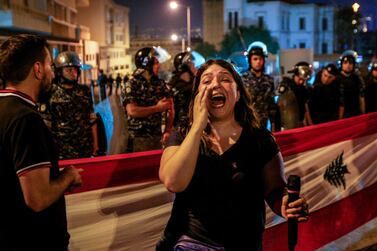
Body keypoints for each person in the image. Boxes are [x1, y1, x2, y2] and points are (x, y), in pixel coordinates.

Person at [157, 59, 309, 251]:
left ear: (237, 93)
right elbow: (173, 182)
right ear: (197, 96)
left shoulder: (261, 140)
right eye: (206, 81)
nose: (215, 84)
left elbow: (275, 190)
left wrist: (286, 204)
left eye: (225, 79)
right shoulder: (182, 135)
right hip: (190, 243)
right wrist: (197, 127)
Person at [0, 34, 83, 250]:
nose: (52, 72)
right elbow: (37, 198)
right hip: (33, 240)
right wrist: (68, 176)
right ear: (37, 69)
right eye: (49, 64)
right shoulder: (25, 119)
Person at [40, 51, 99, 160]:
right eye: (69, 70)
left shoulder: (84, 91)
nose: (74, 73)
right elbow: (45, 127)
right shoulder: (49, 93)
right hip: (61, 153)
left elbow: (92, 119)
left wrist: (95, 145)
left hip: (85, 149)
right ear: (59, 72)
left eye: (76, 69)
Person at [123, 47, 174, 152]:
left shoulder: (160, 84)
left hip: (157, 137)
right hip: (138, 138)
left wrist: (168, 130)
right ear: (147, 64)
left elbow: (170, 108)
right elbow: (132, 111)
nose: (159, 65)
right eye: (155, 63)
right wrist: (157, 108)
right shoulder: (132, 84)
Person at [242, 41, 278, 131]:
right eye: (255, 59)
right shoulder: (243, 79)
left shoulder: (269, 80)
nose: (258, 62)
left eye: (261, 59)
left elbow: (271, 105)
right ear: (250, 60)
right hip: (246, 124)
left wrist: (273, 126)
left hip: (263, 125)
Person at [170, 51, 204, 135]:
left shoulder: (193, 83)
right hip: (182, 127)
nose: (194, 65)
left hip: (193, 124)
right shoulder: (178, 86)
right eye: (191, 63)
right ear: (185, 66)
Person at [277, 61, 313, 129]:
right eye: (299, 79)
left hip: (300, 124)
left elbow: (305, 107)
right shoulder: (286, 85)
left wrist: (310, 125)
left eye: (303, 80)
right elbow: (280, 105)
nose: (301, 82)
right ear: (295, 74)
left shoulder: (306, 89)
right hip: (287, 125)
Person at [337, 50, 366, 119]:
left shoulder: (357, 78)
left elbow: (361, 96)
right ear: (341, 64)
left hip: (355, 113)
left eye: (351, 63)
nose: (348, 65)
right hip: (341, 115)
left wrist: (363, 114)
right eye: (345, 63)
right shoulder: (337, 78)